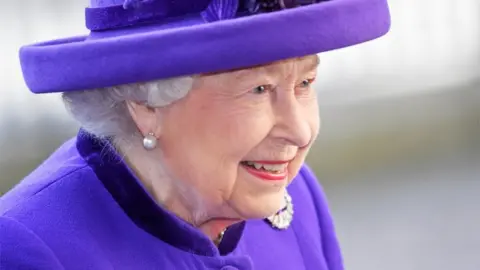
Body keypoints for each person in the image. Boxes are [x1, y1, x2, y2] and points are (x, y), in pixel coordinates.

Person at [0, 0, 390, 269]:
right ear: (146, 103)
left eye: (305, 83)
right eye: (259, 90)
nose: (300, 131)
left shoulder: (298, 195)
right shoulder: (29, 249)